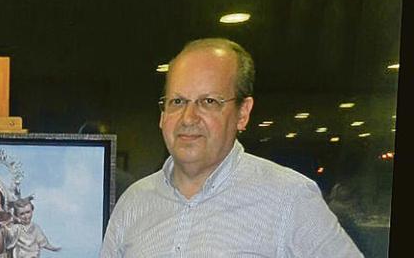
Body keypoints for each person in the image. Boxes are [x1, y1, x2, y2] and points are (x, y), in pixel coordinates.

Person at [99, 37, 362, 257]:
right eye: (177, 101)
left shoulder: (289, 198)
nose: (188, 118)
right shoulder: (134, 202)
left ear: (242, 113)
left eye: (209, 101)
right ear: (162, 114)